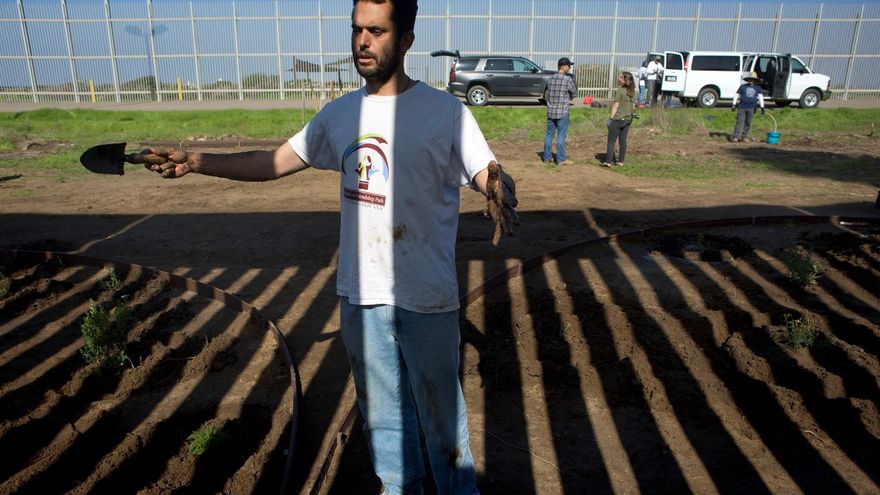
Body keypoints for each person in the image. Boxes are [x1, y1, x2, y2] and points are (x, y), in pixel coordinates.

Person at [137, 0, 519, 493]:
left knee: (444, 428)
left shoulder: (445, 113)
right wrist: (195, 159)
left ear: (405, 41)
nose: (363, 41)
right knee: (386, 430)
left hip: (427, 298)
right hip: (361, 298)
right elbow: (271, 162)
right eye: (357, 30)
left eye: (377, 32)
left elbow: (486, 168)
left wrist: (497, 186)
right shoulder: (339, 116)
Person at [542, 57, 577, 165]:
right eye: (568, 65)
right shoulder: (568, 80)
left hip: (551, 111)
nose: (569, 67)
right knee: (561, 135)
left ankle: (547, 158)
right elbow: (574, 94)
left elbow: (547, 94)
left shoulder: (550, 79)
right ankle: (561, 159)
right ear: (563, 66)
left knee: (549, 135)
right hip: (562, 111)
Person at [603, 71, 637, 167]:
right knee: (623, 140)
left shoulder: (620, 91)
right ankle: (621, 161)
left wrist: (611, 118)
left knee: (611, 141)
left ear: (625, 80)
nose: (619, 78)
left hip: (618, 119)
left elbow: (616, 106)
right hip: (628, 119)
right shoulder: (632, 91)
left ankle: (608, 161)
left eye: (621, 77)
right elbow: (633, 106)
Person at [730, 71, 766, 142]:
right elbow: (736, 95)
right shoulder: (743, 87)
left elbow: (760, 97)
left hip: (751, 107)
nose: (751, 81)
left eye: (753, 79)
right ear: (748, 80)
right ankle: (736, 136)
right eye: (750, 79)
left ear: (755, 80)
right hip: (742, 107)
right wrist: (734, 105)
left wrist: (762, 107)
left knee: (748, 122)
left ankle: (744, 136)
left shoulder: (757, 88)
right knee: (739, 121)